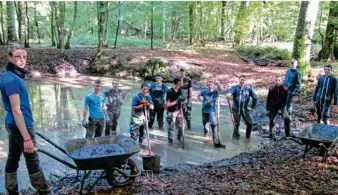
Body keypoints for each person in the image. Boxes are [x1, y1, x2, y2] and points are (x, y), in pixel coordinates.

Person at [0, 44, 50, 194]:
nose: (22, 60)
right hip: (21, 125)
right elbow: (16, 109)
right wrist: (27, 138)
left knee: (13, 156)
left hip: (13, 123)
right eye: (17, 56)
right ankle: (44, 191)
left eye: (24, 56)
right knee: (32, 159)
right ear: (9, 57)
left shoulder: (10, 75)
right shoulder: (11, 80)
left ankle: (11, 189)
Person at [197, 80, 224, 147]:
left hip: (212, 111)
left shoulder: (215, 92)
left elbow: (220, 90)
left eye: (211, 85)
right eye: (208, 85)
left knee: (214, 124)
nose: (209, 86)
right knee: (205, 126)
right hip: (204, 111)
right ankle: (205, 139)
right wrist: (201, 101)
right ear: (207, 85)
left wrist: (218, 84)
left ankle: (215, 141)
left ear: (213, 85)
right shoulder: (204, 91)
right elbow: (198, 95)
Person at [282, 59, 301, 136]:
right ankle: (285, 116)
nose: (292, 65)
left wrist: (294, 92)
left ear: (296, 64)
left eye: (294, 64)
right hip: (284, 90)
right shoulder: (288, 70)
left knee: (289, 106)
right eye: (291, 64)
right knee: (284, 105)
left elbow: (298, 84)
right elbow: (285, 80)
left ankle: (288, 118)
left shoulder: (297, 73)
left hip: (290, 92)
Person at [165, 77, 185, 143]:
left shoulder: (180, 90)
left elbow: (182, 101)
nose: (182, 83)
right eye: (181, 81)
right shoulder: (169, 91)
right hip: (171, 111)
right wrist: (176, 101)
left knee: (181, 126)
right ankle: (170, 142)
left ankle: (179, 139)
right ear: (178, 82)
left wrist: (181, 108)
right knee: (171, 127)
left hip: (179, 110)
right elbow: (167, 104)